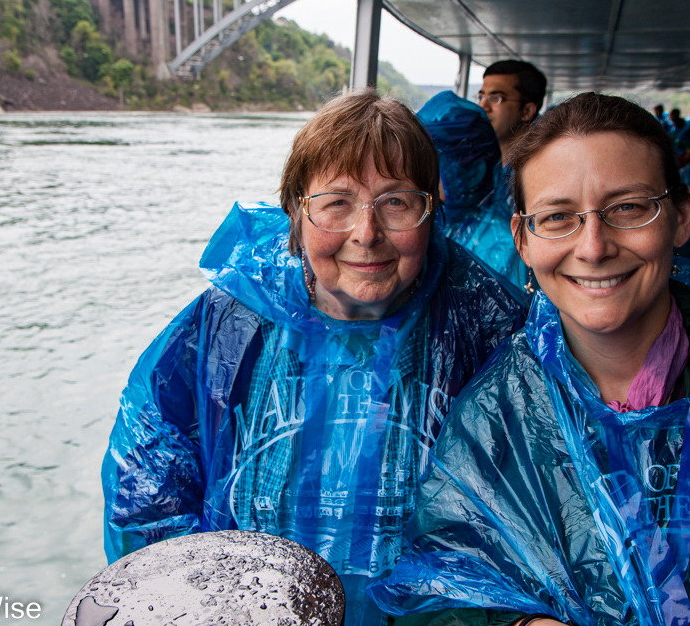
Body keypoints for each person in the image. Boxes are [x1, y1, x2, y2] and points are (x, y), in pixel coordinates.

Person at [368, 93, 690, 626]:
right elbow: (436, 591)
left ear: (680, 218)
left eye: (628, 208)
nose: (593, 246)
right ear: (523, 240)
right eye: (558, 217)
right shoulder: (494, 419)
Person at [101, 89, 527, 626]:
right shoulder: (231, 322)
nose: (366, 233)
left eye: (396, 202)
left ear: (432, 210)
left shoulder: (486, 326)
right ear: (295, 217)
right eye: (335, 203)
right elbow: (146, 484)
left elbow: (527, 521)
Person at [416, 60, 547, 287]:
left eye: (496, 98)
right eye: (481, 97)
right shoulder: (447, 212)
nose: (484, 106)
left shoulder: (538, 177)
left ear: (527, 111)